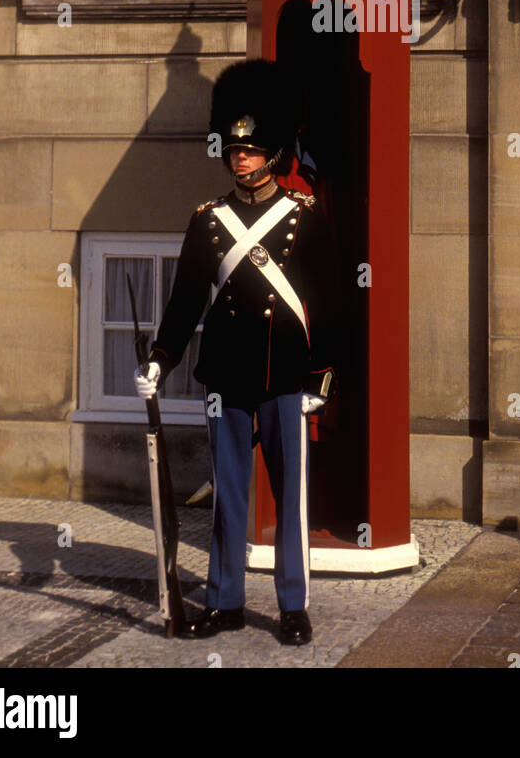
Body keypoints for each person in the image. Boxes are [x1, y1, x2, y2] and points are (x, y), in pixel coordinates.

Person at [134, 58, 335, 645]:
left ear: (272, 151)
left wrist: (318, 381)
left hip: (284, 379)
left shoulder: (303, 217)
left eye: (250, 149)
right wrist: (160, 358)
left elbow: (325, 303)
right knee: (226, 493)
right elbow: (185, 302)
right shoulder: (208, 222)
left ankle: (292, 604)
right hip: (226, 377)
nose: (239, 156)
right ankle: (225, 601)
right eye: (233, 148)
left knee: (291, 498)